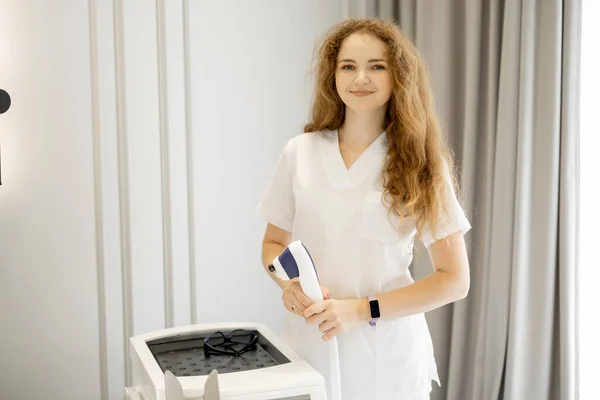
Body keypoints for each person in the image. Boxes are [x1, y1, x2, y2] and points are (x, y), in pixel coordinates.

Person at [256, 17, 471, 400]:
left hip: (385, 356)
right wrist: (286, 285)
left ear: (397, 77)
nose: (361, 79)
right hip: (309, 346)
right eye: (348, 67)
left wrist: (360, 310)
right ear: (332, 76)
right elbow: (273, 245)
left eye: (377, 66)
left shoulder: (421, 163)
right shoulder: (300, 153)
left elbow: (454, 279)